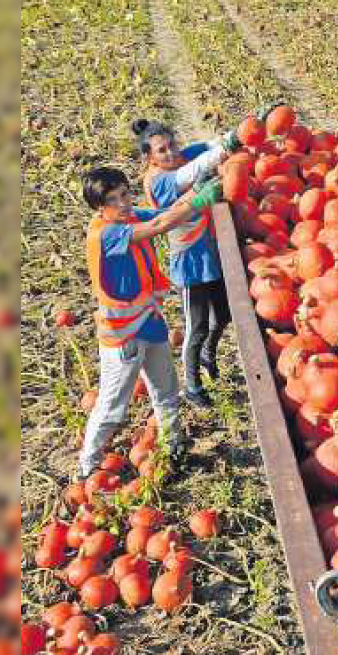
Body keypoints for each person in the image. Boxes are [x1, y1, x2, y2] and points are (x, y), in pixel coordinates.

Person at [77, 166, 223, 479]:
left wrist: (196, 192)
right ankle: (87, 466)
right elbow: (158, 224)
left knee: (166, 390)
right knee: (113, 403)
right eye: (114, 200)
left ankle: (175, 447)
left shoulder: (128, 217)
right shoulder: (107, 234)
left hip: (149, 321)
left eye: (125, 193)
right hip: (122, 335)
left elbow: (165, 212)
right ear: (99, 208)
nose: (124, 202)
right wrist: (198, 202)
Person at [134, 118, 240, 407]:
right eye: (161, 151)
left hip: (210, 253)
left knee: (223, 316)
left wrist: (238, 133)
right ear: (149, 157)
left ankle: (208, 353)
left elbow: (209, 147)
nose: (170, 153)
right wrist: (217, 156)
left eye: (171, 146)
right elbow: (193, 171)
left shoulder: (183, 157)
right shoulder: (157, 181)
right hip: (189, 260)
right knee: (197, 327)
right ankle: (192, 386)